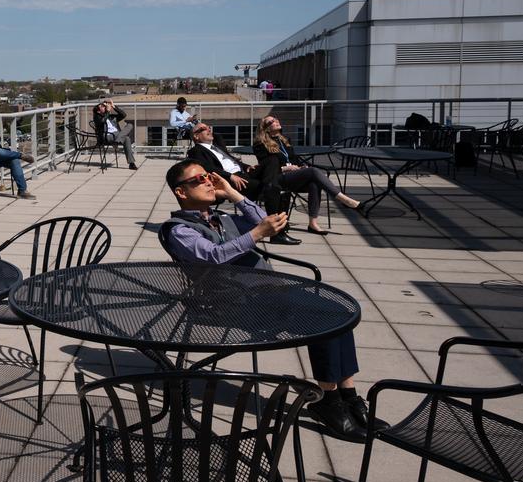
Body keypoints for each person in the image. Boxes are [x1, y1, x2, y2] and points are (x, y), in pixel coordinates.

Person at [157, 159, 385, 441]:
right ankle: (330, 401)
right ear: (181, 192)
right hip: (230, 304)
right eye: (198, 179)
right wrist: (255, 235)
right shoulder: (179, 229)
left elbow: (266, 221)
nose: (207, 182)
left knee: (338, 313)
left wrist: (234, 194)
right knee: (326, 320)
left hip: (265, 294)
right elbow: (213, 257)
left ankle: (348, 396)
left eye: (208, 177)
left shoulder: (222, 217)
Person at [253, 115, 362, 240]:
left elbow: (294, 160)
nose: (276, 121)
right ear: (266, 129)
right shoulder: (260, 144)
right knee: (313, 172)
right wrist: (285, 168)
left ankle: (313, 224)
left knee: (314, 183)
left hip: (292, 177)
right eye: (272, 121)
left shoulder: (284, 140)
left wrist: (301, 166)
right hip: (277, 178)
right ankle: (344, 199)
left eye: (276, 119)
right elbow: (266, 168)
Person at [186, 122, 269, 202]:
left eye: (209, 128)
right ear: (196, 136)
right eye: (204, 128)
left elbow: (231, 159)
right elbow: (208, 168)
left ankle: (273, 184)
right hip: (232, 179)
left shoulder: (218, 147)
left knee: (271, 161)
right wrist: (230, 176)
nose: (209, 130)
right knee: (267, 187)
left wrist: (246, 166)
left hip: (244, 172)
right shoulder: (195, 151)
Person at [91, 99, 139, 170]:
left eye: (104, 106)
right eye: (102, 106)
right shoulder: (97, 117)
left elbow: (123, 115)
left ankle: (117, 142)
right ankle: (131, 163)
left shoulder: (111, 116)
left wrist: (114, 106)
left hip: (116, 135)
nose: (104, 106)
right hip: (107, 136)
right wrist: (107, 111)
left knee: (130, 125)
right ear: (98, 111)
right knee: (127, 139)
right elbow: (102, 121)